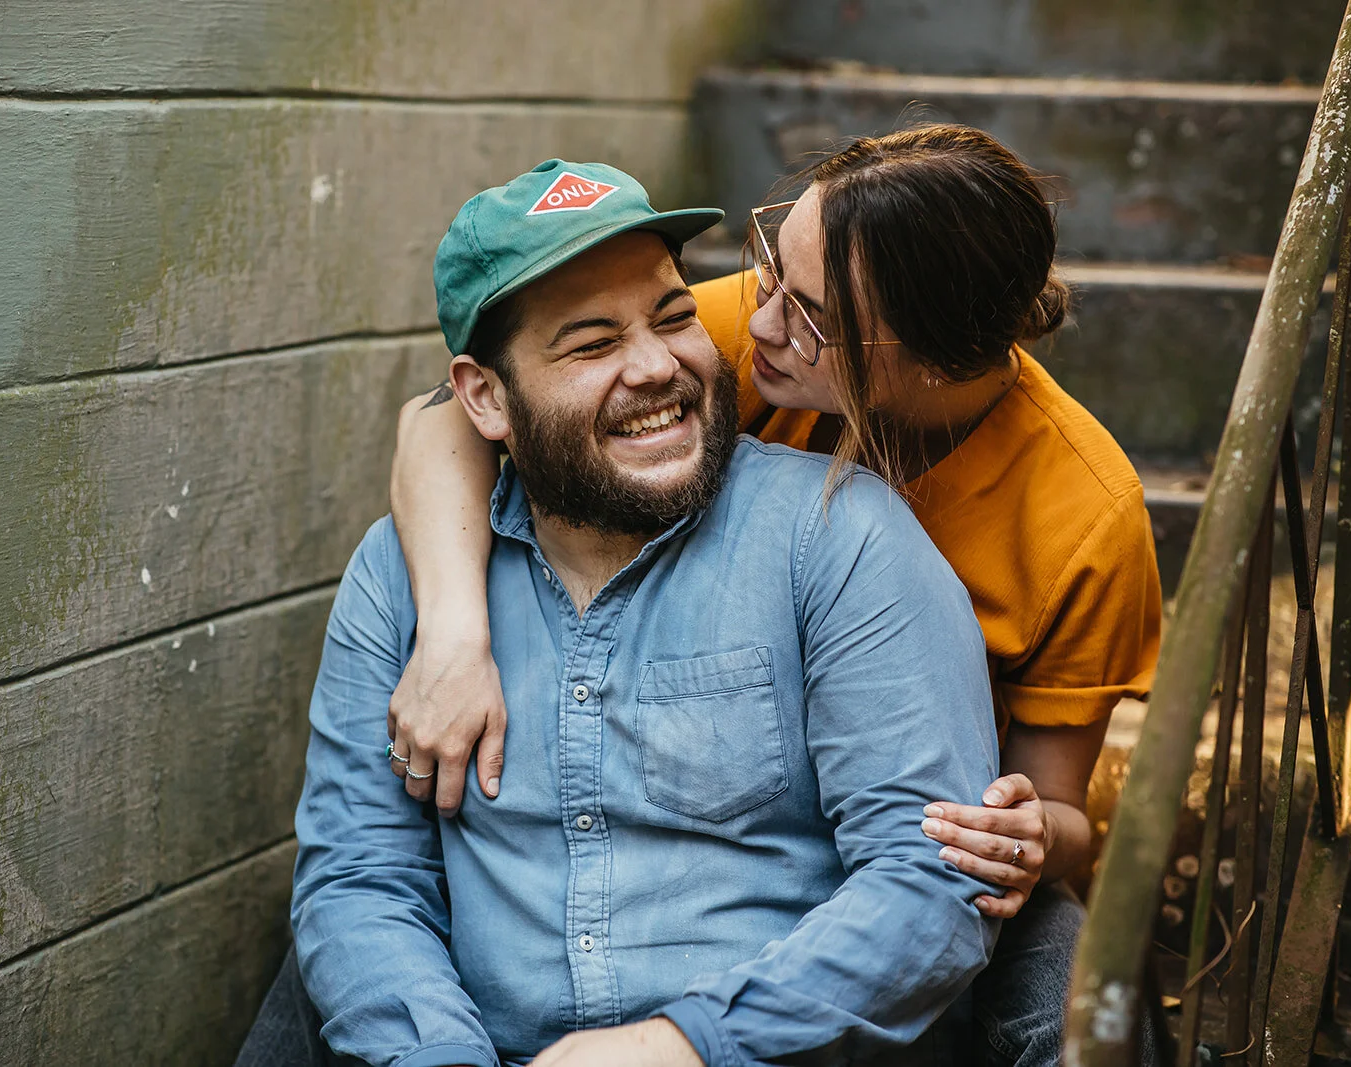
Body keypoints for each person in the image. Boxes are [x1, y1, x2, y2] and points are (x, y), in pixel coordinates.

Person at [385, 127, 1164, 1067]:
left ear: (935, 360)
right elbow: (447, 420)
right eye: (768, 271)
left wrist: (1032, 831)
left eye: (812, 320)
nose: (758, 327)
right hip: (723, 790)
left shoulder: (1085, 511)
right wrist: (454, 637)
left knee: (1075, 1009)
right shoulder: (741, 340)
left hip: (925, 838)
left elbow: (1064, 807)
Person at [235, 158, 1002, 1067]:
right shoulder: (399, 578)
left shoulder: (839, 538)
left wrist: (687, 1043)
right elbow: (361, 879)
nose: (655, 365)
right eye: (592, 344)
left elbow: (929, 882)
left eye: (675, 316)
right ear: (485, 396)